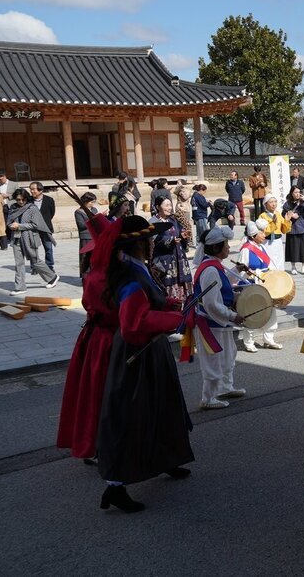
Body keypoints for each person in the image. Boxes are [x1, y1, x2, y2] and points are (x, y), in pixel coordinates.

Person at [96, 215, 194, 513]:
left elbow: (148, 305)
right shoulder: (130, 277)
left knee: (164, 406)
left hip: (152, 351)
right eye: (148, 240)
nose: (152, 244)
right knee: (130, 416)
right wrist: (172, 319)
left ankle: (167, 458)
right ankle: (115, 486)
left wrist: (167, 305)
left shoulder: (137, 268)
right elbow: (133, 325)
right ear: (138, 245)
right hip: (137, 355)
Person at [57, 206, 114, 463]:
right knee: (101, 393)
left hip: (99, 337)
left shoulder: (100, 274)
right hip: (104, 339)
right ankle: (99, 444)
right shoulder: (99, 278)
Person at [191, 226, 246, 410]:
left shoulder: (213, 265)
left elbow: (222, 285)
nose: (228, 247)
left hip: (219, 322)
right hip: (210, 323)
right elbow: (211, 303)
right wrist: (233, 315)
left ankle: (225, 388)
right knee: (213, 361)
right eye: (226, 244)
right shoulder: (210, 270)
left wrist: (236, 270)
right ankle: (208, 398)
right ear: (216, 248)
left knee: (228, 356)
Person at [237, 220, 283, 352]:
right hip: (251, 285)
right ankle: (249, 341)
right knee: (251, 312)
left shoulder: (262, 247)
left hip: (264, 283)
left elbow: (268, 265)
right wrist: (253, 274)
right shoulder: (246, 250)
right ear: (253, 235)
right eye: (261, 233)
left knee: (271, 310)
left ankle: (269, 338)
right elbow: (240, 271)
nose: (264, 235)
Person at [7, 188, 59, 296]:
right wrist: (11, 226)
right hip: (16, 238)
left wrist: (19, 226)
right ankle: (20, 287)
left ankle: (52, 277)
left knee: (35, 261)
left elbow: (36, 225)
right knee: (18, 263)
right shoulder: (13, 207)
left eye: (23, 199)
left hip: (29, 237)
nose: (21, 202)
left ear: (26, 198)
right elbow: (9, 220)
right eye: (18, 200)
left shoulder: (32, 208)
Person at [149, 197, 193, 303]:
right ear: (158, 207)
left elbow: (179, 232)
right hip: (165, 260)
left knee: (183, 288)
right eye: (166, 205)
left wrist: (183, 235)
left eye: (170, 205)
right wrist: (170, 240)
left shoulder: (173, 220)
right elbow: (152, 242)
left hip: (178, 258)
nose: (169, 208)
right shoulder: (153, 222)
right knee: (168, 289)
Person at [259, 194, 292, 272]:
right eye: (271, 202)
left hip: (278, 242)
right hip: (267, 242)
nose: (274, 204)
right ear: (265, 204)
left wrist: (287, 221)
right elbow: (264, 231)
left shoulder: (278, 214)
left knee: (279, 261)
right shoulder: (262, 216)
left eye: (275, 201)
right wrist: (273, 223)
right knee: (270, 262)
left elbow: (284, 230)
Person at [284, 185, 304, 275]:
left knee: (303, 247)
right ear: (291, 193)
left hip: (303, 226)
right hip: (292, 228)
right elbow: (283, 213)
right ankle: (293, 266)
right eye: (295, 192)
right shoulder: (288, 203)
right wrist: (291, 214)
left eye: (299, 192)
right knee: (293, 248)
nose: (297, 194)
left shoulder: (303, 202)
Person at [75, 192, 99, 278]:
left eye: (93, 202)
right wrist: (93, 220)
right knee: (85, 257)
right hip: (85, 237)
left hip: (94, 236)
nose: (92, 204)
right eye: (91, 202)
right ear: (85, 201)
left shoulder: (94, 210)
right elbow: (81, 225)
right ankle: (85, 276)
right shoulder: (78, 212)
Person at [172, 181, 194, 248]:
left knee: (187, 226)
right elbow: (185, 197)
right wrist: (189, 193)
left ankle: (188, 241)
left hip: (185, 209)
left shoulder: (184, 190)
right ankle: (187, 242)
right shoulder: (181, 191)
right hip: (182, 210)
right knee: (186, 226)